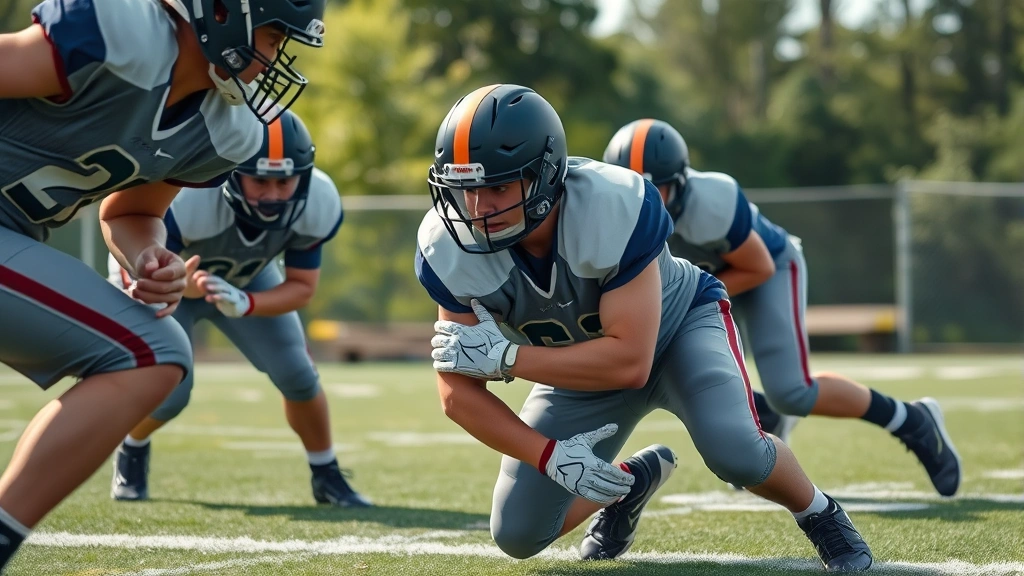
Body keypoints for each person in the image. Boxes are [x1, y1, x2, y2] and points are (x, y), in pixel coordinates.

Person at [415, 84, 873, 571]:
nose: (479, 207)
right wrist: (549, 455)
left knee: (734, 450)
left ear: (546, 173)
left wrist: (509, 359)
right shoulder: (447, 246)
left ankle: (820, 513)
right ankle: (631, 483)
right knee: (518, 534)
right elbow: (456, 394)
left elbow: (630, 361)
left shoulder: (611, 203)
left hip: (677, 333)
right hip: (576, 367)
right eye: (466, 188)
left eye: (499, 187)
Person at [0, 0, 324, 568]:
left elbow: (128, 212)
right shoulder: (122, 31)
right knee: (151, 352)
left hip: (14, 231)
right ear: (223, 12)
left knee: (159, 353)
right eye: (274, 38)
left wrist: (151, 254)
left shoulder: (224, 131)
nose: (275, 62)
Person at [603, 119, 961, 497]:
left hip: (763, 270)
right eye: (633, 186)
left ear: (680, 181)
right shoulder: (606, 212)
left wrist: (688, 301)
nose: (645, 199)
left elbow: (758, 266)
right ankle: (764, 414)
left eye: (655, 187)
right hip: (701, 284)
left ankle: (911, 420)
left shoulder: (712, 203)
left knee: (793, 391)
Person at [107, 110, 370, 508]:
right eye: (260, 180)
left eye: (284, 181)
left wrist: (246, 302)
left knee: (299, 374)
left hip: (246, 280)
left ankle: (327, 474)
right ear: (231, 171)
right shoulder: (191, 195)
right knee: (171, 392)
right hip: (165, 280)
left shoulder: (317, 198)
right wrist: (184, 285)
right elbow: (150, 273)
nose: (274, 194)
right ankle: (132, 446)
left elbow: (301, 287)